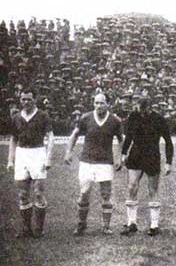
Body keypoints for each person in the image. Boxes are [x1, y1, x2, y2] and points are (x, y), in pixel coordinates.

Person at [64, 93, 123, 235]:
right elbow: (74, 135)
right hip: (87, 161)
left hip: (105, 162)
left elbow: (121, 140)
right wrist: (68, 152)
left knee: (106, 195)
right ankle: (81, 224)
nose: (98, 106)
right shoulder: (86, 118)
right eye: (96, 103)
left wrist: (118, 158)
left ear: (107, 104)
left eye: (101, 103)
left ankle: (106, 227)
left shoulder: (115, 121)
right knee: (84, 193)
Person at [120, 96, 174, 236]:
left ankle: (154, 225)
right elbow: (128, 137)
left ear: (150, 108)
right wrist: (123, 154)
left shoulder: (159, 119)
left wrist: (168, 162)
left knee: (152, 190)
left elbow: (168, 141)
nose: (141, 112)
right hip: (136, 155)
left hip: (152, 156)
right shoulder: (133, 117)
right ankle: (132, 223)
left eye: (143, 109)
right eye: (138, 109)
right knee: (132, 186)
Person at [6, 88, 54, 238]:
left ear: (35, 99)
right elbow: (13, 139)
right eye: (23, 99)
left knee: (39, 192)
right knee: (23, 194)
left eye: (29, 99)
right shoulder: (16, 117)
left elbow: (50, 137)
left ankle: (39, 229)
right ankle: (26, 228)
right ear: (20, 100)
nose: (26, 102)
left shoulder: (43, 116)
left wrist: (48, 157)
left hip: (38, 153)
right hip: (22, 154)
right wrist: (10, 160)